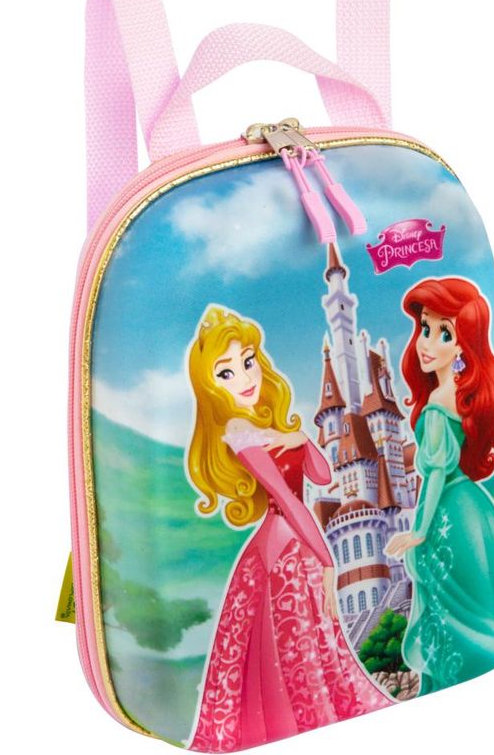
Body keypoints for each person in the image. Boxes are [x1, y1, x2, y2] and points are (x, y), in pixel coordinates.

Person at [186, 306, 392, 752]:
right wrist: (329, 562)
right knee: (290, 644)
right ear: (210, 386)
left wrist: (300, 439)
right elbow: (286, 499)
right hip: (281, 551)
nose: (244, 378)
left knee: (309, 643)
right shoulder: (238, 430)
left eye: (248, 362)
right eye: (226, 373)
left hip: (298, 545)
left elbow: (322, 475)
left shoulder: (267, 423)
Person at [384, 278, 494, 696]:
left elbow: (435, 475)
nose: (427, 342)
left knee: (455, 611)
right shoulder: (460, 397)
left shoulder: (438, 405)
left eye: (444, 333)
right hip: (471, 504)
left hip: (448, 515)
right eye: (426, 328)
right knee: (483, 597)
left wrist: (419, 531)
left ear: (461, 347)